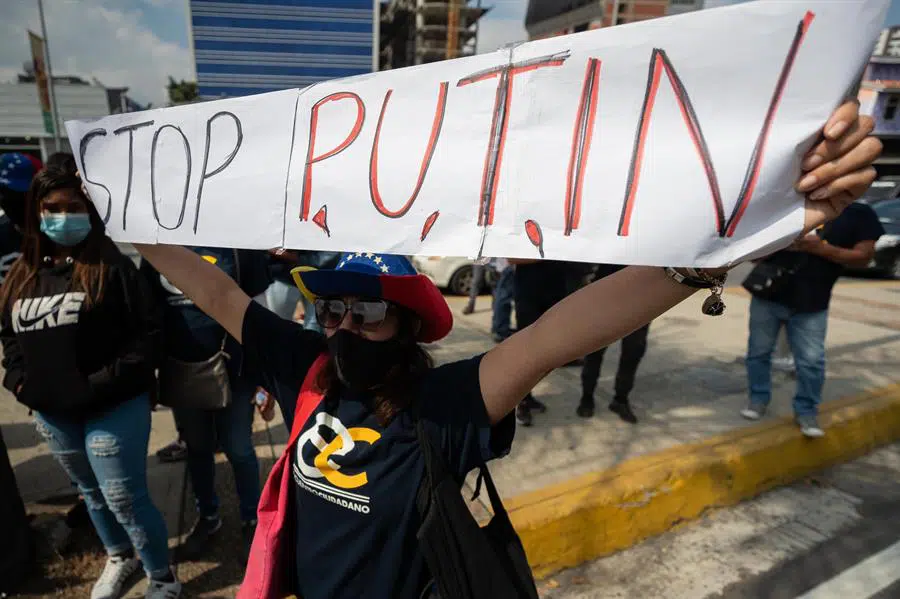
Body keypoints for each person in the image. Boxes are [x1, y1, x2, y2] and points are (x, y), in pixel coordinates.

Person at [128, 101, 878, 599]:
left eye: (366, 310)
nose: (345, 324)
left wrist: (732, 241)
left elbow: (556, 335)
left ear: (409, 325)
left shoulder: (445, 404)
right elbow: (220, 294)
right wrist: (128, 217)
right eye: (332, 309)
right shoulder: (307, 365)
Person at [0, 168, 181, 599]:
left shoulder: (112, 267)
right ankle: (120, 557)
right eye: (52, 209)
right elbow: (10, 339)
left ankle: (162, 579)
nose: (63, 217)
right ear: (37, 213)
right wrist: (21, 383)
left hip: (113, 407)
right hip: (54, 413)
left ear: (91, 213)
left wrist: (98, 384)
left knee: (124, 496)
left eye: (73, 208)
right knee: (91, 494)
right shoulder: (23, 273)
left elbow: (148, 336)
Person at [141, 247, 272, 560]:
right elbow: (146, 314)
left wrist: (266, 379)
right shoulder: (158, 248)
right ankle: (208, 517)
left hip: (237, 371)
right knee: (197, 449)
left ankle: (253, 518)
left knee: (239, 448)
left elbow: (262, 316)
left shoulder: (239, 247)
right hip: (182, 371)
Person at [742, 202, 884, 437]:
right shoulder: (790, 205)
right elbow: (752, 254)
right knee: (758, 353)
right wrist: (781, 244)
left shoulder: (859, 213)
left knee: (810, 362)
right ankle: (757, 399)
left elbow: (864, 258)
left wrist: (821, 249)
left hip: (812, 304)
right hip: (768, 296)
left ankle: (806, 411)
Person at [577, 264, 650, 424]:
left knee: (633, 351)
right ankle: (587, 396)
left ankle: (621, 399)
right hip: (604, 294)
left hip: (640, 297)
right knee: (594, 349)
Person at [508, 258, 571, 426]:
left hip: (556, 291)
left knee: (546, 353)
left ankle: (528, 396)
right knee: (526, 351)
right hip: (529, 293)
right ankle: (521, 401)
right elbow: (511, 259)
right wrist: (550, 252)